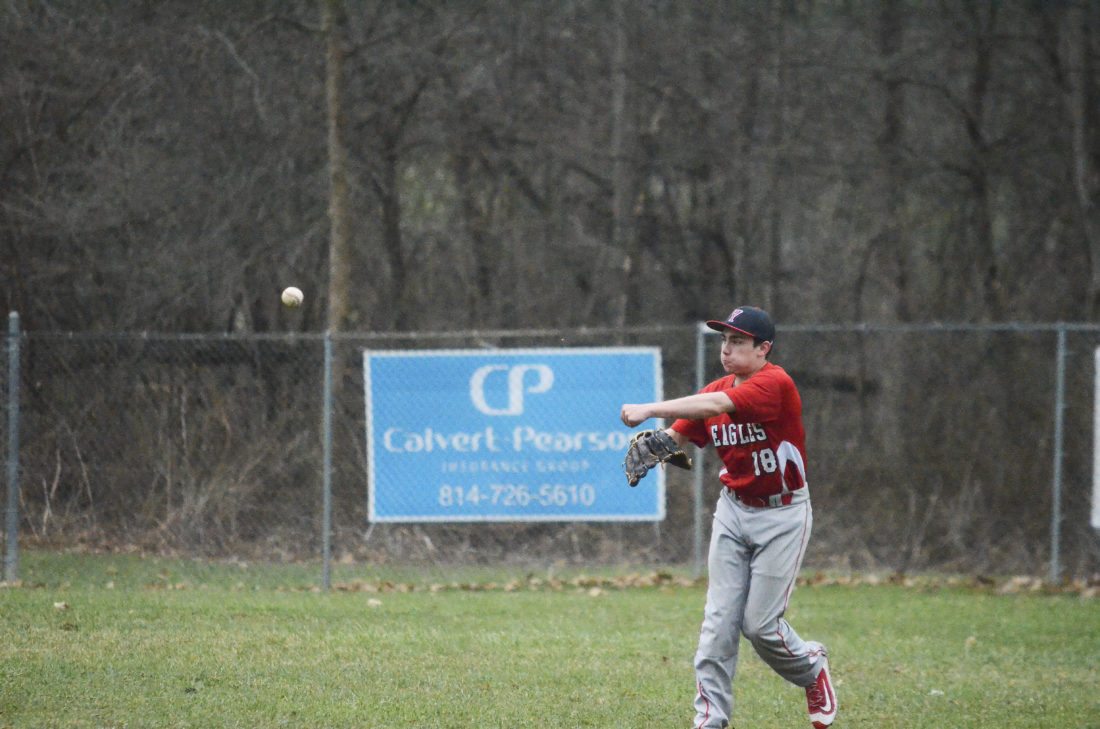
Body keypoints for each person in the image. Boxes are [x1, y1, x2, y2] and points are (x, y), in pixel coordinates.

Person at [619, 305, 836, 729]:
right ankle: (710, 720)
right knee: (718, 625)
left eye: (738, 341)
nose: (727, 349)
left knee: (760, 626)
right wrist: (663, 441)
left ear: (763, 349)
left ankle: (811, 667)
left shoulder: (774, 384)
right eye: (724, 340)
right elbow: (683, 431)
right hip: (734, 512)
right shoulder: (717, 388)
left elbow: (719, 403)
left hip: (783, 514)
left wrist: (649, 408)